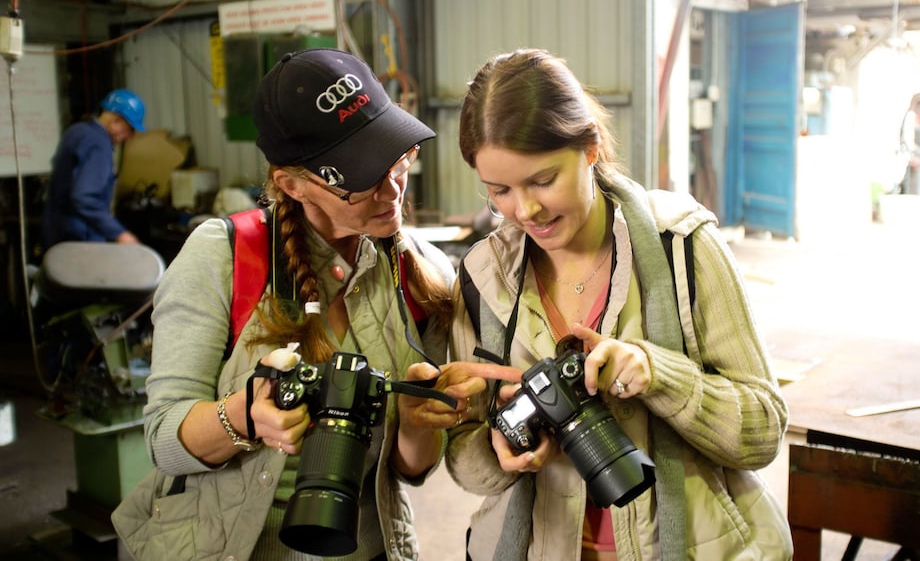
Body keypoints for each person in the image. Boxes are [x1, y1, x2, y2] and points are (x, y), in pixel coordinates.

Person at [112, 48, 479, 560]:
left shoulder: (424, 276)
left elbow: (411, 472)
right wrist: (244, 416)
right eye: (359, 174)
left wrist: (418, 422)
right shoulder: (223, 257)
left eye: (395, 157)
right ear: (291, 183)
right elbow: (164, 441)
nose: (391, 186)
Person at [445, 48, 793, 560]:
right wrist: (498, 448)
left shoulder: (683, 247)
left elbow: (762, 432)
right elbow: (461, 456)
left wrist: (656, 374)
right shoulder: (483, 277)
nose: (526, 210)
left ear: (589, 147)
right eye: (499, 191)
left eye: (543, 180)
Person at [42, 88, 146, 248]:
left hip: (58, 236)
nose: (129, 137)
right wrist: (119, 233)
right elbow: (85, 197)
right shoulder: (99, 144)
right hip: (80, 240)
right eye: (129, 129)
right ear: (116, 121)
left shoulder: (76, 131)